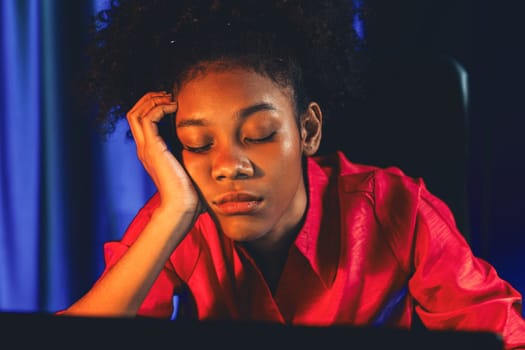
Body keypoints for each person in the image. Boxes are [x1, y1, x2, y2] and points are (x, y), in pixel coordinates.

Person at [60, 0, 525, 348]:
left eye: (259, 134)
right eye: (199, 144)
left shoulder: (396, 207)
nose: (227, 166)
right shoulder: (178, 221)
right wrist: (174, 212)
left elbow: (505, 337)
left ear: (308, 130)